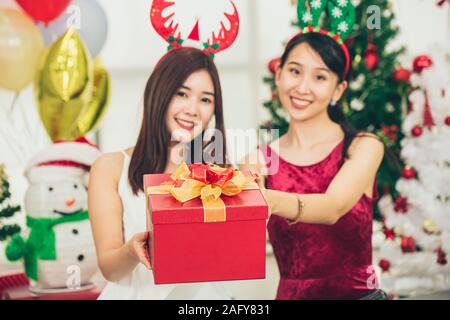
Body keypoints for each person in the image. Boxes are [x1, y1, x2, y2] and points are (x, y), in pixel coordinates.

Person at [240, 30, 388, 299]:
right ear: (278, 75)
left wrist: (266, 200)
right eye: (295, 71)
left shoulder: (363, 146)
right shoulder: (258, 160)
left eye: (319, 77)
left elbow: (332, 208)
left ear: (338, 90)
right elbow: (240, 239)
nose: (303, 87)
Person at [88, 47, 232, 299]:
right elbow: (109, 268)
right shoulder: (110, 168)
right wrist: (132, 251)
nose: (193, 109)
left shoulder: (220, 176)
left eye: (206, 99)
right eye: (182, 94)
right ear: (158, 93)